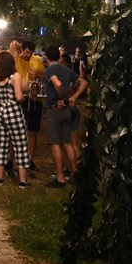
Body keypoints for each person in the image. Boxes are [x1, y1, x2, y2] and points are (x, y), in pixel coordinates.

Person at [42, 45, 87, 187]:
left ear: (46, 57)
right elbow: (83, 82)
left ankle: (60, 177)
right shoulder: (66, 70)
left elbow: (57, 83)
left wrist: (61, 97)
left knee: (55, 144)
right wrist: (73, 97)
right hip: (67, 110)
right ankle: (75, 174)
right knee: (67, 143)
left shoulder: (50, 70)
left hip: (55, 109)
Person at [0, 51, 31, 187]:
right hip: (14, 112)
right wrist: (24, 99)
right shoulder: (15, 76)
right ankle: (23, 181)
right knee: (20, 145)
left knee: (0, 145)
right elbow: (19, 96)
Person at [16, 41, 45, 172]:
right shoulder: (16, 58)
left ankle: (30, 160)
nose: (28, 55)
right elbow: (13, 44)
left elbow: (44, 76)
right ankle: (13, 160)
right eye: (27, 52)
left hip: (34, 99)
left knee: (32, 131)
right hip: (19, 97)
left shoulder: (37, 60)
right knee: (17, 130)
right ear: (22, 49)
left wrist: (38, 75)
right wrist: (19, 52)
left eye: (31, 53)